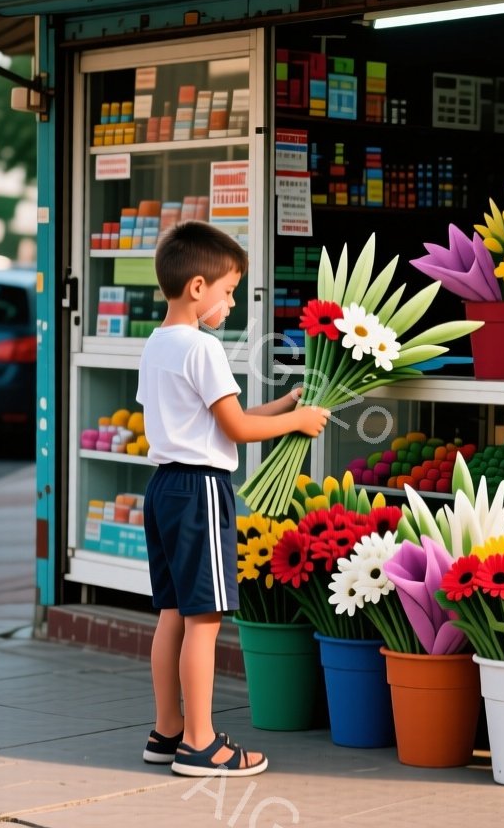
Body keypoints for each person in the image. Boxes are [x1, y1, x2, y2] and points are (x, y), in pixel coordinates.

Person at [135, 221, 328, 778]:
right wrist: (300, 420)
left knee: (173, 613)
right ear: (198, 287)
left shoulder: (157, 344)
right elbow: (238, 431)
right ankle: (201, 744)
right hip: (200, 490)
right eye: (229, 291)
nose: (232, 302)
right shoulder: (203, 347)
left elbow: (222, 421)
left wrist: (285, 405)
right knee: (205, 618)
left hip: (165, 487)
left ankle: (168, 730)